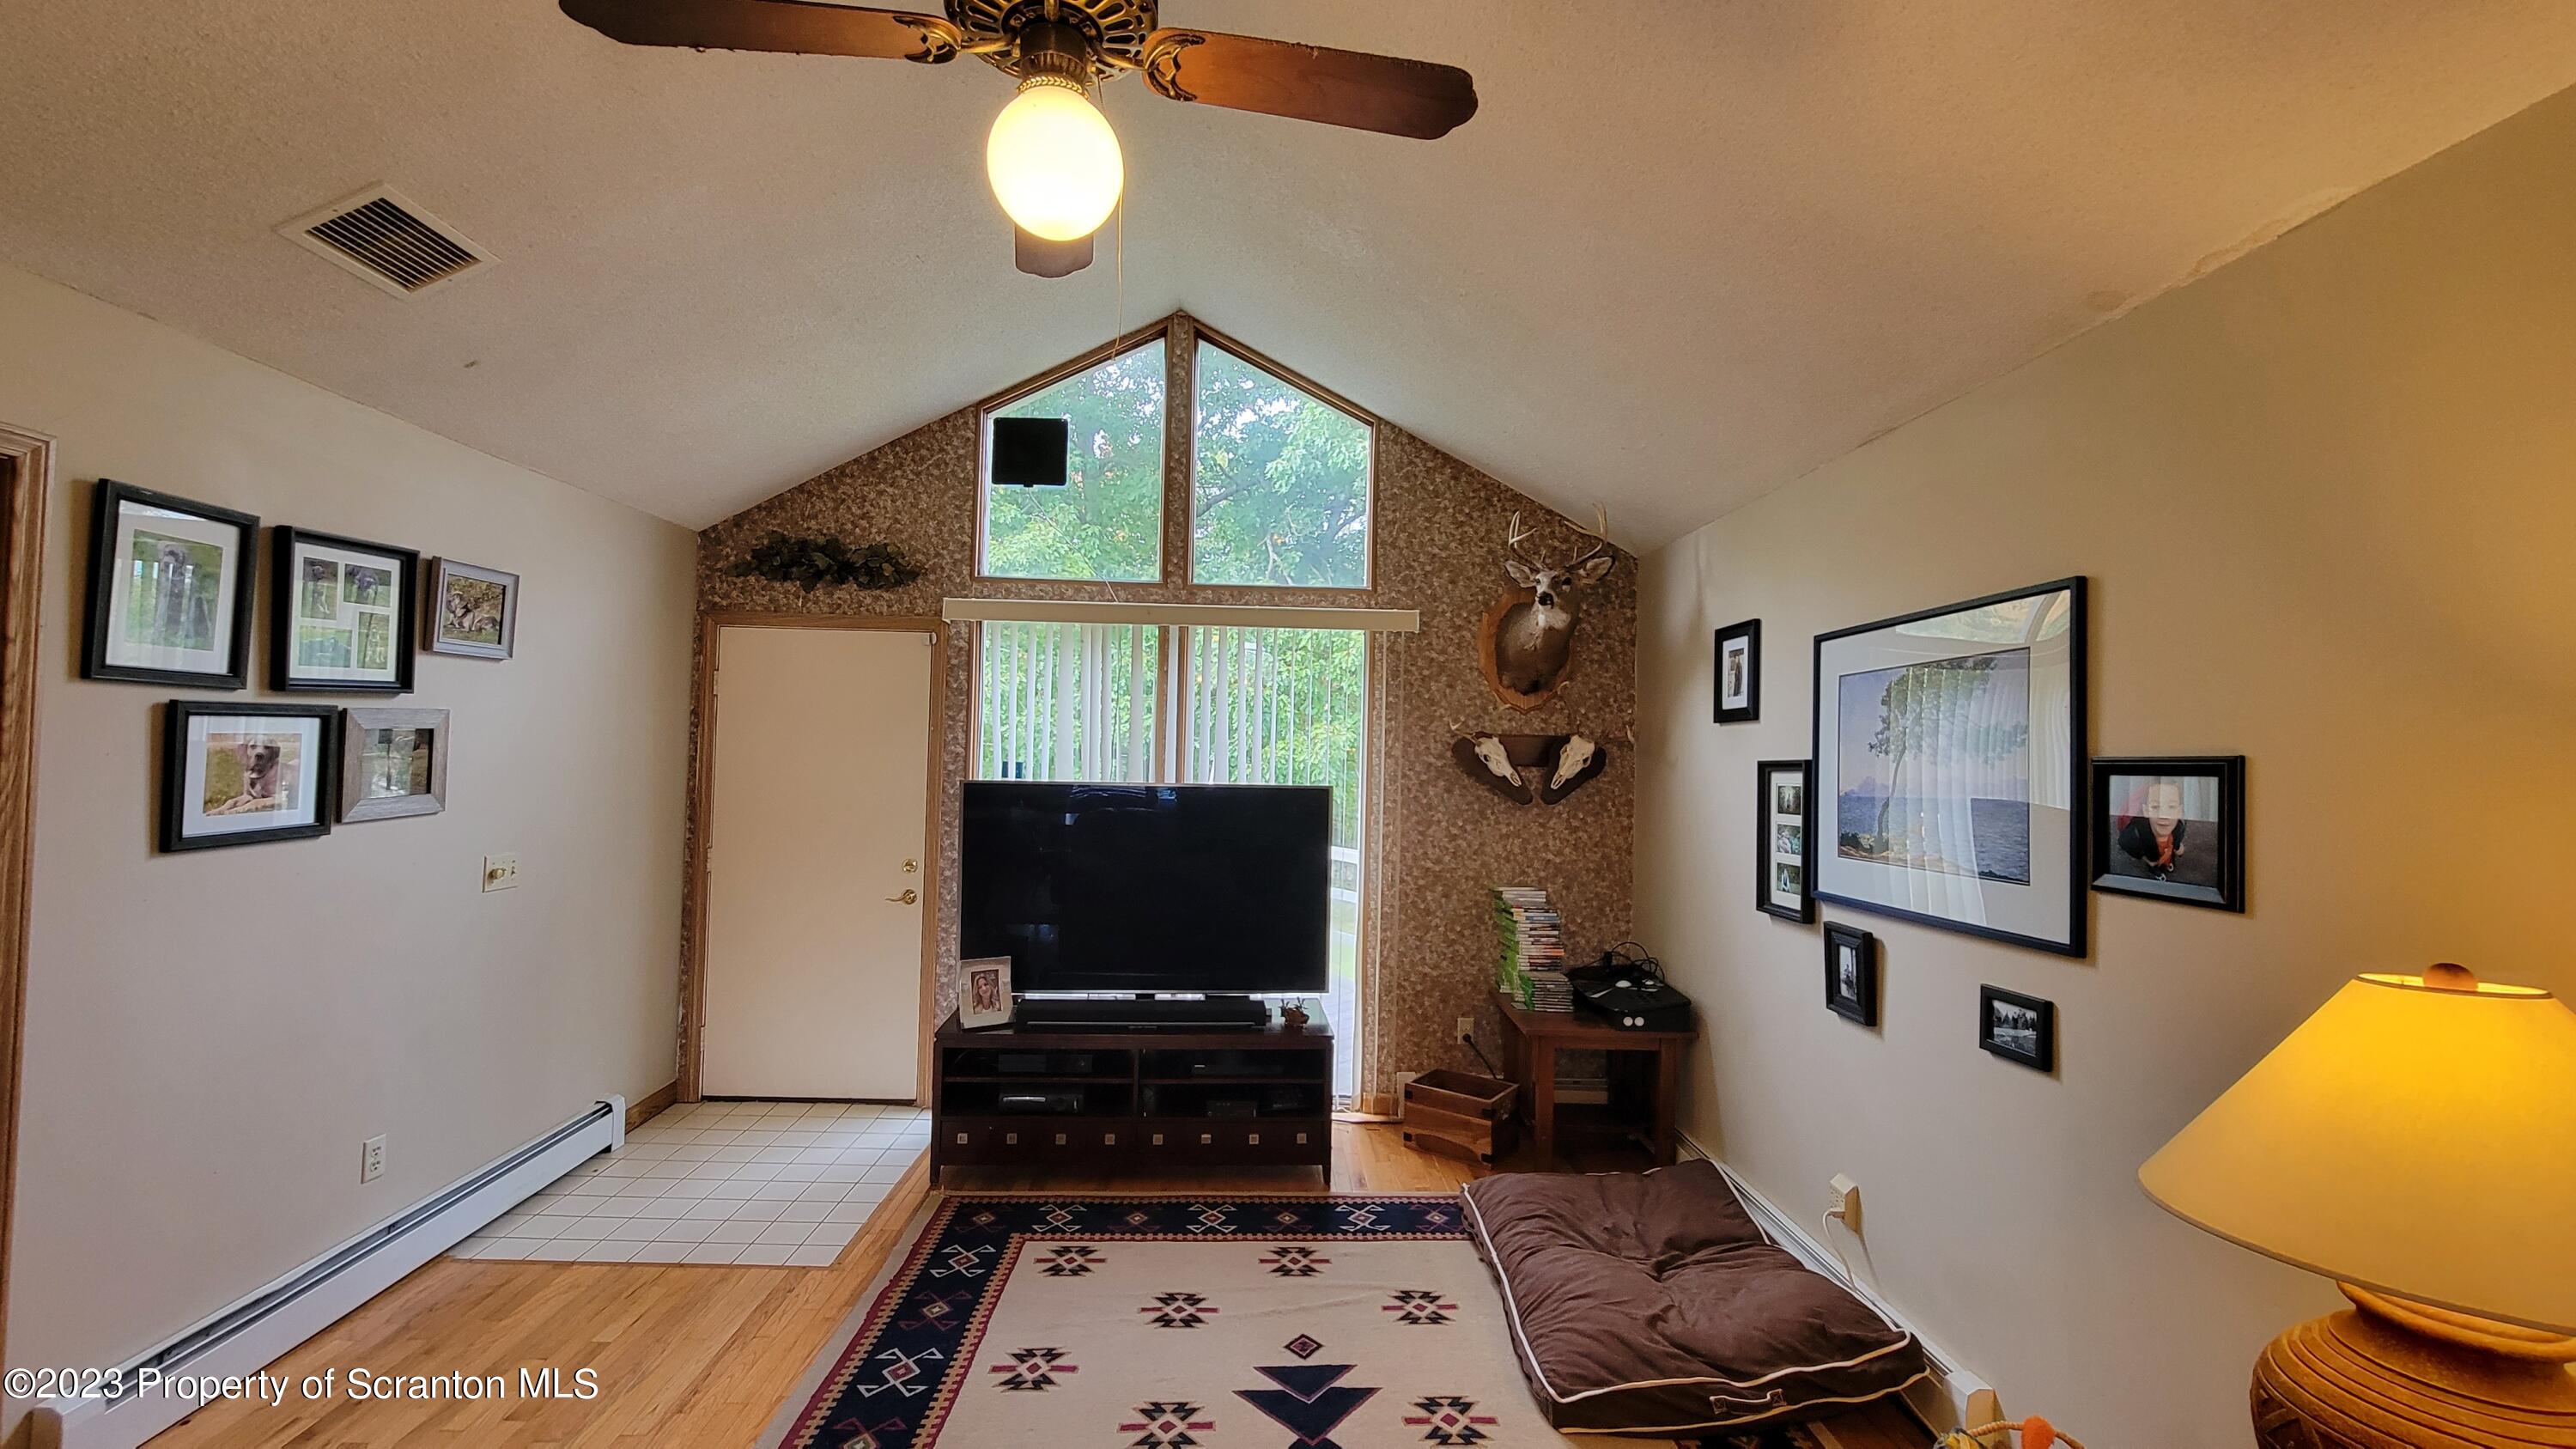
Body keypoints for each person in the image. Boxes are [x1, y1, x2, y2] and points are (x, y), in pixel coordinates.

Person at [2115, 777, 2206, 883]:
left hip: (2168, 851)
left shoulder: (2178, 826)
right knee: (2154, 862)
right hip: (2152, 854)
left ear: (2179, 811)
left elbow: (2178, 837)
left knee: (2167, 857)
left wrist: (2177, 847)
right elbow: (2124, 842)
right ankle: (2155, 870)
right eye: (2155, 807)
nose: (2164, 815)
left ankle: (2168, 863)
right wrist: (2146, 859)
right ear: (2145, 811)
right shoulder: (2137, 831)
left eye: (2171, 807)